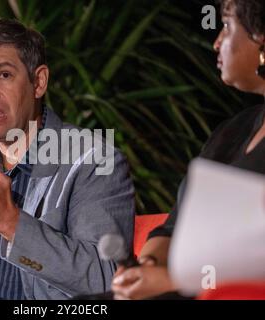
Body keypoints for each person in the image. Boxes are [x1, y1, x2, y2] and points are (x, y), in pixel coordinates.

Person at [0, 19, 135, 300]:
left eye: (4, 75)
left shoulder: (93, 161)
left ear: (39, 82)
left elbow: (106, 281)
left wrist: (6, 219)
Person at [111, 0, 265, 300]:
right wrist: (147, 265)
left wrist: (172, 281)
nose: (216, 41)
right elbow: (174, 224)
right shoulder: (233, 129)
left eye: (228, 25)